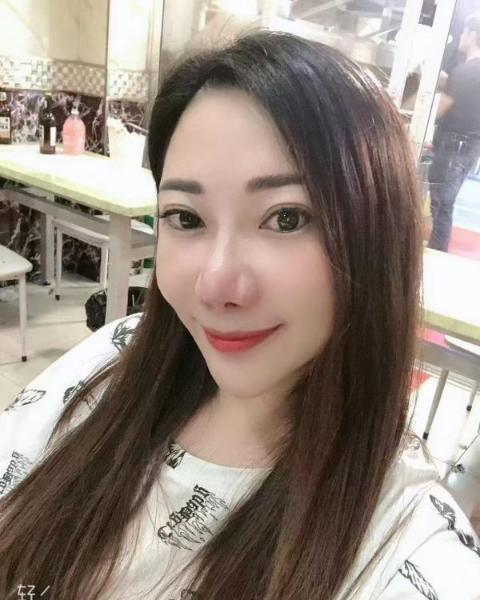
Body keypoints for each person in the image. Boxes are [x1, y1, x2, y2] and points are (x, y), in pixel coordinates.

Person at [0, 31, 479, 600]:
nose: (216, 283)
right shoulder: (115, 352)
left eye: (286, 218)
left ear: (377, 235)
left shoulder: (413, 557)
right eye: (185, 217)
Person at [428, 11, 480, 252]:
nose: (461, 37)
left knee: (441, 205)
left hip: (453, 144)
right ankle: (437, 248)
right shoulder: (467, 72)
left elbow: (444, 106)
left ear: (472, 35)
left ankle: (437, 251)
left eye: (464, 32)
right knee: (446, 202)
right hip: (472, 147)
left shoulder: (464, 71)